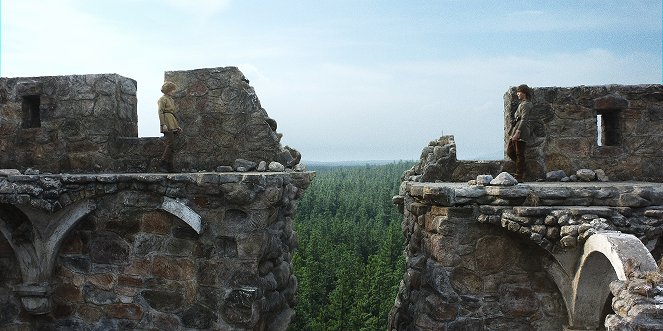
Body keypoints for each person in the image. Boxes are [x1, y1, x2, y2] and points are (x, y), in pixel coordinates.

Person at [509, 84, 533, 181]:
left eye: (519, 92)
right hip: (516, 129)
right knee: (510, 152)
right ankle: (522, 168)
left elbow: (524, 119)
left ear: (524, 93)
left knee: (519, 153)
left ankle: (519, 175)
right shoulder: (522, 104)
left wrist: (518, 132)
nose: (518, 94)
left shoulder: (526, 105)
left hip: (521, 131)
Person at [158, 81, 181, 172]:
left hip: (172, 121)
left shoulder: (171, 100)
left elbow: (173, 113)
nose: (173, 91)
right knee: (170, 144)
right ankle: (162, 164)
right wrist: (163, 124)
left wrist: (177, 126)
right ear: (167, 90)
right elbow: (160, 112)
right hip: (166, 122)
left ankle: (170, 166)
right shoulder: (162, 99)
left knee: (173, 146)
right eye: (172, 90)